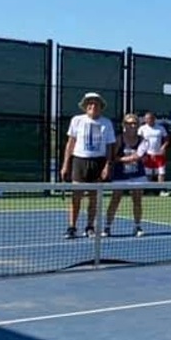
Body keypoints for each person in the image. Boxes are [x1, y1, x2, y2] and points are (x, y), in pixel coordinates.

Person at [60, 92, 117, 238]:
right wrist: (66, 164)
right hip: (79, 161)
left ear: (101, 107)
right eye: (90, 103)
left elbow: (110, 147)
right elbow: (70, 143)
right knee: (76, 197)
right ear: (85, 106)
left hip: (98, 162)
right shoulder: (77, 120)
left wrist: (107, 166)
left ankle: (89, 227)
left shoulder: (107, 123)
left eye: (96, 104)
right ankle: (72, 227)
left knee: (94, 198)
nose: (93, 106)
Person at [104, 113, 149, 237]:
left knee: (137, 201)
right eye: (129, 123)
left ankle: (137, 226)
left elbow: (139, 156)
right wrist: (128, 159)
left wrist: (125, 159)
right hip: (120, 175)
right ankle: (107, 227)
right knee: (115, 200)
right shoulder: (118, 139)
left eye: (134, 123)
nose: (132, 125)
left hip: (138, 175)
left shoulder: (143, 140)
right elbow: (114, 157)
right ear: (124, 125)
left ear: (138, 125)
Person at [138, 111, 170, 196]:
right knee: (148, 174)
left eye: (151, 118)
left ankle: (161, 190)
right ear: (145, 119)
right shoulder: (142, 129)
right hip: (147, 155)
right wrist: (142, 153)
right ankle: (147, 190)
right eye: (147, 118)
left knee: (161, 173)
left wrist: (163, 147)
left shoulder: (161, 128)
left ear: (154, 119)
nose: (149, 120)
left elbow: (167, 139)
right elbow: (139, 141)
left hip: (159, 155)